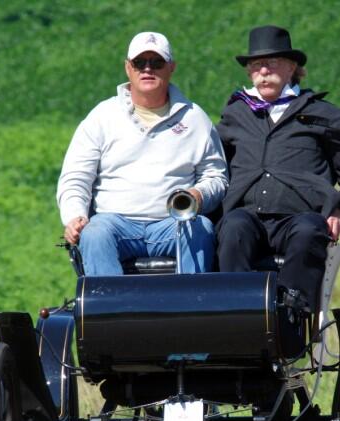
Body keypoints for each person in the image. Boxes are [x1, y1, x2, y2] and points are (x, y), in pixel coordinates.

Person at [216, 25, 340, 311]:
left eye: (271, 63)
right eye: (256, 65)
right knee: (233, 227)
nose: (263, 71)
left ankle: (292, 316)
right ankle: (235, 314)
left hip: (299, 218)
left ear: (292, 67)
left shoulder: (323, 116)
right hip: (248, 218)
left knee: (309, 230)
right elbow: (215, 168)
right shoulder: (235, 115)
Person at [57, 31, 228, 275]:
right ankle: (113, 312)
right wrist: (75, 216)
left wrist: (198, 195)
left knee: (199, 227)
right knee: (94, 232)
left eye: (157, 62)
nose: (148, 69)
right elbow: (76, 177)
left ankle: (190, 309)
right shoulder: (101, 116)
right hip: (114, 223)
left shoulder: (195, 118)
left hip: (174, 223)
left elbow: (216, 176)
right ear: (128, 68)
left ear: (171, 67)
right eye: (139, 63)